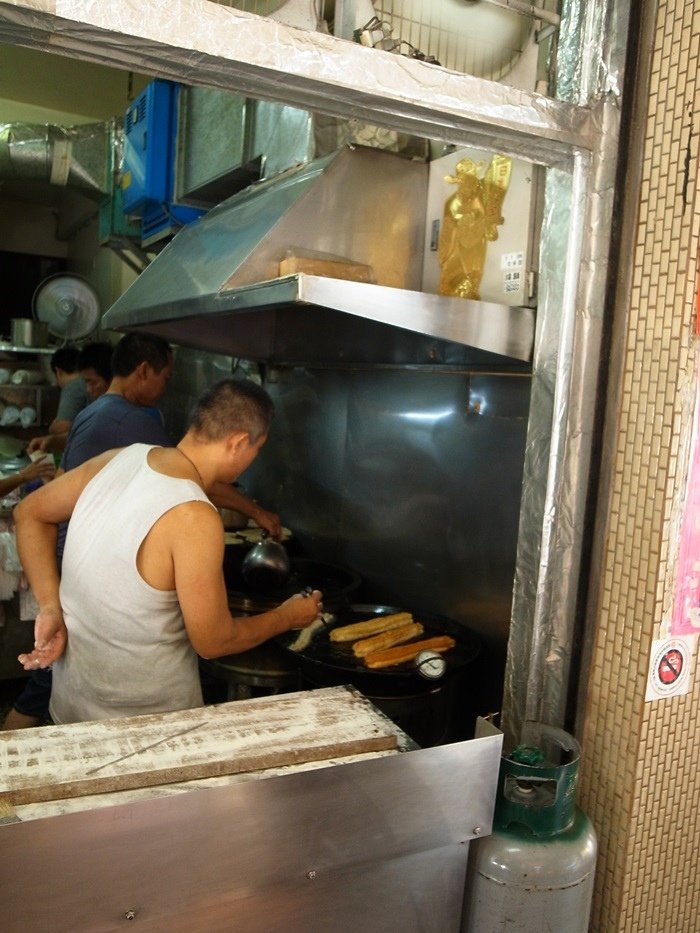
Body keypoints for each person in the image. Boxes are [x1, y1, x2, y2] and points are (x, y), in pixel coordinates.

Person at [2, 333, 280, 729]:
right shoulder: (195, 515)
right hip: (145, 726)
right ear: (237, 442)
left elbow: (29, 513)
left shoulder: (121, 457)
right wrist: (288, 616)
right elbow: (214, 641)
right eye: (258, 448)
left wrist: (50, 605)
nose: (253, 458)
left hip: (72, 705)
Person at [27, 341, 114, 456]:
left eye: (92, 382)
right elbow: (85, 436)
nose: (88, 389)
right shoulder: (101, 405)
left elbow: (64, 427)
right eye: (86, 382)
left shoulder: (118, 409)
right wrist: (52, 441)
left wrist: (53, 430)